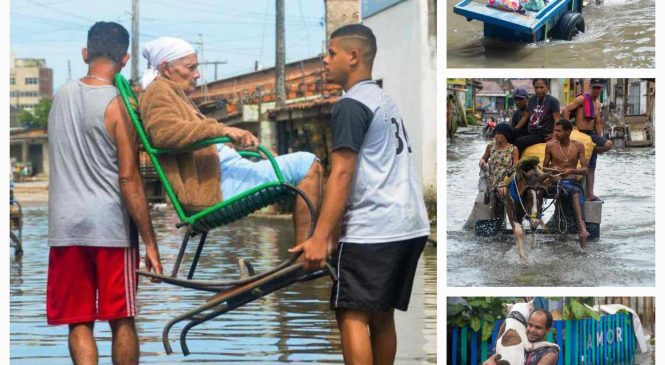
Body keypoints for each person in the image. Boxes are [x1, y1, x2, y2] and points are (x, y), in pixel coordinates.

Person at [289, 24, 430, 365]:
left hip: (374, 229)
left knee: (352, 315)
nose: (324, 60)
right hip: (411, 226)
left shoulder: (351, 105)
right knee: (381, 315)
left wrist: (320, 238)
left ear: (353, 57)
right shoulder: (384, 100)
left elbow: (342, 173)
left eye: (331, 53)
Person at [46, 22, 163, 365]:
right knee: (121, 317)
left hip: (65, 228)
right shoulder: (119, 106)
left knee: (78, 320)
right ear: (125, 59)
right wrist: (150, 242)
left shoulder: (60, 96)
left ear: (85, 54)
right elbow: (129, 179)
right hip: (110, 229)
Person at [139, 37, 322, 245]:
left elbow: (192, 135)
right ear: (166, 68)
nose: (197, 74)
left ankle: (308, 249)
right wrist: (223, 129)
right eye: (190, 68)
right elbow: (164, 133)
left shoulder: (173, 92)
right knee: (309, 164)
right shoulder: (158, 91)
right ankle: (304, 254)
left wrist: (230, 143)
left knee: (303, 166)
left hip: (227, 172)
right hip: (218, 187)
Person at [561, 78, 613, 201]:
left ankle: (590, 194)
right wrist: (568, 128)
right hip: (580, 133)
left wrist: (599, 137)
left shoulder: (598, 104)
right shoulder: (582, 99)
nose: (596, 90)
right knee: (585, 165)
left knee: (605, 148)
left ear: (601, 89)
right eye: (594, 87)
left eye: (598, 88)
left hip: (591, 135)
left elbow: (598, 123)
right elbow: (565, 110)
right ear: (590, 87)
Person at [543, 119, 589, 248]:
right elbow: (544, 168)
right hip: (555, 183)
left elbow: (585, 170)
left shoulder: (578, 145)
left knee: (574, 192)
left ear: (568, 132)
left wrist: (571, 170)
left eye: (559, 131)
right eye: (555, 130)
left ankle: (583, 242)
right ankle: (581, 227)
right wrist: (553, 170)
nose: (556, 133)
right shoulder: (550, 145)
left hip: (573, 182)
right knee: (569, 191)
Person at [483, 309, 559, 365]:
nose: (532, 330)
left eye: (538, 327)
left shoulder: (550, 354)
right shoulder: (518, 343)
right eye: (530, 325)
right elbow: (489, 361)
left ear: (548, 330)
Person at [513, 79, 561, 155]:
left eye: (541, 87)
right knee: (511, 134)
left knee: (519, 141)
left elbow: (557, 120)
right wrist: (515, 129)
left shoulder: (553, 101)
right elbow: (526, 116)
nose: (539, 90)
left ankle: (516, 164)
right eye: (536, 87)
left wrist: (554, 138)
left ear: (547, 87)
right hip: (530, 132)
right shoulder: (532, 100)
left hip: (542, 134)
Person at [479, 123, 519, 197]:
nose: (496, 136)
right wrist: (482, 162)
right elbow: (484, 158)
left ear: (505, 135)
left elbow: (516, 167)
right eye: (495, 133)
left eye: (499, 134)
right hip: (492, 179)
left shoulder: (513, 149)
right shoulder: (490, 146)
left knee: (504, 192)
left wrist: (507, 181)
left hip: (506, 180)